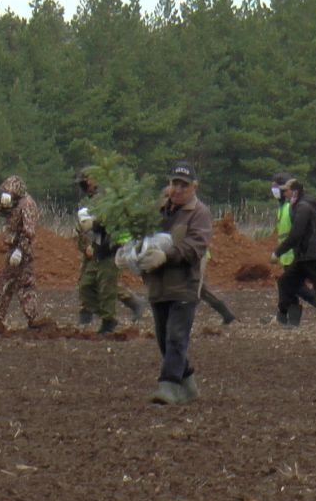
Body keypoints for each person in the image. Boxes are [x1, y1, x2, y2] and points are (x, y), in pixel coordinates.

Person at [144, 164, 213, 405]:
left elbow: (196, 246)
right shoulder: (158, 211)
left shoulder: (199, 213)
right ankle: (189, 386)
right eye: (175, 183)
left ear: (194, 186)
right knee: (164, 339)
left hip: (184, 285)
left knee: (176, 336)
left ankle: (169, 386)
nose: (179, 189)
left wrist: (167, 255)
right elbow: (141, 236)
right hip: (157, 285)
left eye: (184, 185)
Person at [74, 173, 147, 334]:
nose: (84, 185)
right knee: (86, 285)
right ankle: (105, 315)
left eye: (86, 181)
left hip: (112, 248)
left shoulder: (108, 198)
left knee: (107, 287)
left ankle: (109, 321)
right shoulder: (89, 201)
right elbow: (82, 228)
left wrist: (94, 224)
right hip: (98, 248)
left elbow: (111, 222)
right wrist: (86, 243)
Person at [272, 178, 316, 328]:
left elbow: (296, 234)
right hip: (303, 255)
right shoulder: (298, 206)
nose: (284, 193)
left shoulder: (303, 208)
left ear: (295, 191)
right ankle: (283, 316)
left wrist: (278, 252)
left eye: (287, 190)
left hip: (310, 255)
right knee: (285, 282)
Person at [0, 174, 43, 329]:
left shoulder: (27, 205)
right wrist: (2, 204)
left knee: (25, 285)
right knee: (6, 284)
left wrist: (20, 250)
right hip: (13, 249)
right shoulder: (15, 203)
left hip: (22, 251)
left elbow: (29, 232)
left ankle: (33, 318)